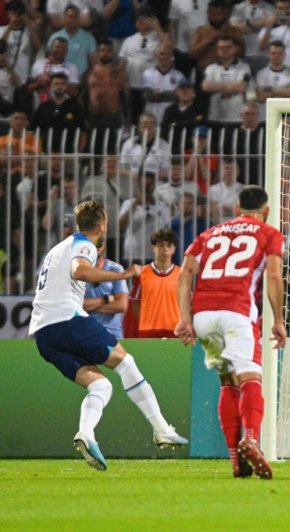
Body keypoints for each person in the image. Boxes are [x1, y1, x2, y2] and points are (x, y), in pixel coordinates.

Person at [29, 200, 187, 471]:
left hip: (43, 334)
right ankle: (161, 428)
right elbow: (79, 270)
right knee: (126, 363)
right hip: (67, 319)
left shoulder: (58, 248)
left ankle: (86, 434)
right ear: (102, 225)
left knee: (101, 385)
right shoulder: (84, 245)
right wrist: (125, 273)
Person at [175, 185, 286, 479]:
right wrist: (279, 320)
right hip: (236, 314)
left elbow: (186, 272)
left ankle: (236, 459)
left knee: (227, 383)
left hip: (203, 317)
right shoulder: (269, 233)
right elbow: (274, 275)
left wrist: (185, 319)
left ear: (236, 209)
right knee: (251, 377)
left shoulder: (209, 234)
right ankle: (250, 437)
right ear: (267, 211)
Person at [129, 228, 181, 338]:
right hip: (148, 332)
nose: (165, 249)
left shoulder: (181, 274)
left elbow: (187, 303)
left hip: (175, 331)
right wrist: (146, 322)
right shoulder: (142, 273)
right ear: (154, 248)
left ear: (174, 249)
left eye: (169, 245)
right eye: (161, 245)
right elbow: (136, 303)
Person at [83, 241, 129, 339]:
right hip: (85, 333)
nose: (98, 246)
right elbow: (73, 305)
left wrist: (88, 306)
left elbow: (122, 305)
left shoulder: (116, 269)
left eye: (100, 242)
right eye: (94, 242)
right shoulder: (78, 271)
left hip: (112, 334)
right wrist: (105, 300)